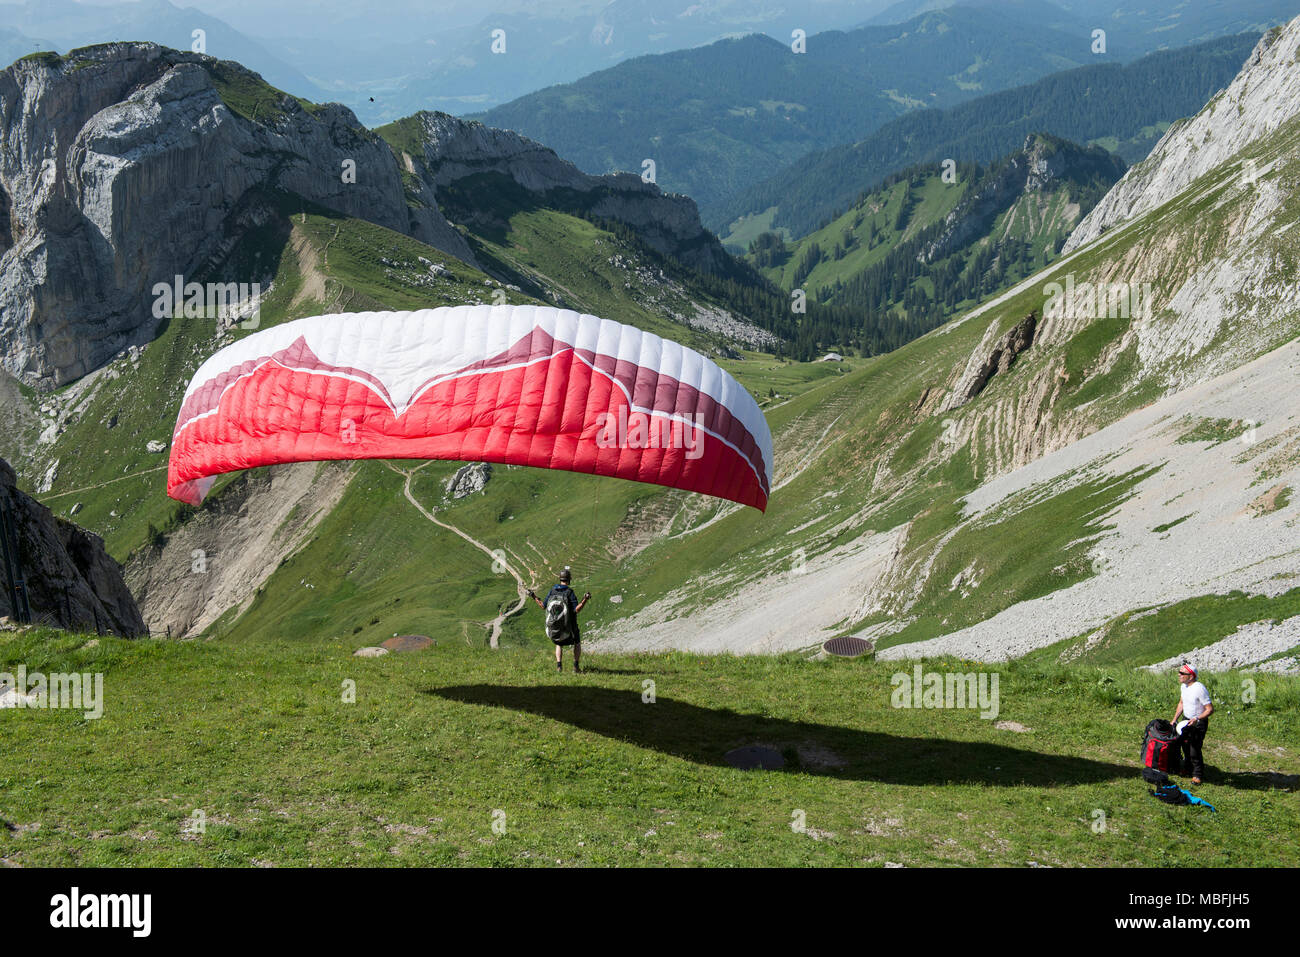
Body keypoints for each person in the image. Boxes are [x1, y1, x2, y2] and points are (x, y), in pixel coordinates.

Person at [528, 566, 590, 673]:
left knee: (559, 643)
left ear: (560, 579)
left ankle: (559, 666)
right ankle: (576, 667)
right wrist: (585, 599)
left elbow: (543, 606)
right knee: (577, 643)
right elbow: (576, 609)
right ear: (569, 579)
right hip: (570, 624)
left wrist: (534, 596)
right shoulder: (569, 592)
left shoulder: (553, 590)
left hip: (556, 624)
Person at [1173, 662, 1213, 785]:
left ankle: (1198, 774)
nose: (1179, 675)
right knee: (1185, 746)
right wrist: (1174, 719)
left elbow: (1210, 709)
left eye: (1182, 673)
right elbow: (1181, 703)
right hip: (1186, 720)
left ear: (1191, 676)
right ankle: (1188, 768)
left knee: (1194, 749)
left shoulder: (1199, 689)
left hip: (1198, 722)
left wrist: (1197, 719)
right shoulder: (1183, 687)